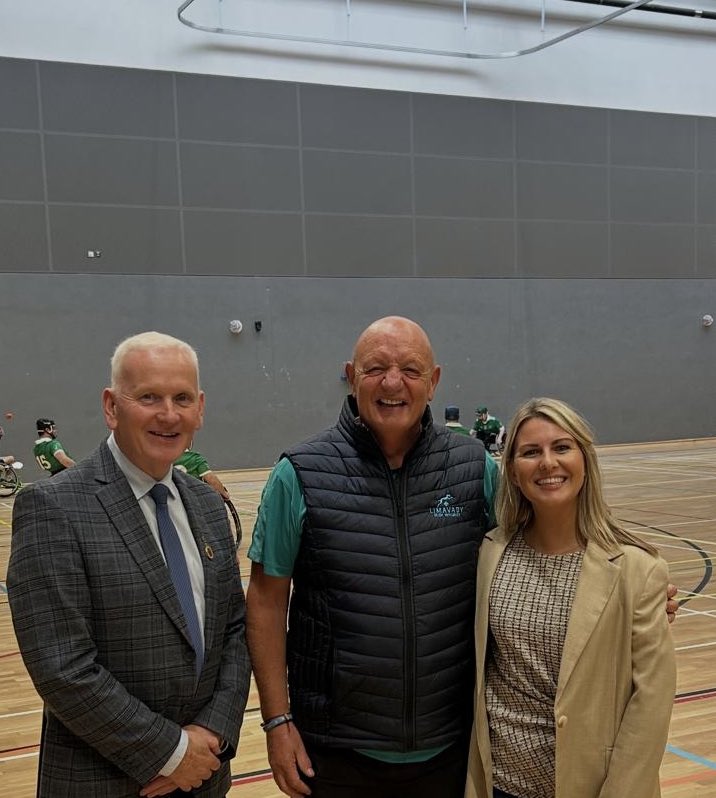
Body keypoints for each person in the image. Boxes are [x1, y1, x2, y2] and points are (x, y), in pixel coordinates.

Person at [246, 316, 500, 798]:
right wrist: (277, 722)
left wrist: (631, 588)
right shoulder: (299, 473)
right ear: (350, 374)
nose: (391, 383)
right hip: (336, 753)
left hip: (453, 743)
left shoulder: (475, 469)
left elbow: (535, 556)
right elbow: (264, 600)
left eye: (410, 369)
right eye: (375, 368)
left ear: (434, 380)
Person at [8, 331, 251, 798]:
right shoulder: (54, 507)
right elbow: (62, 668)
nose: (168, 414)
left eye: (182, 398)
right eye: (148, 397)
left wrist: (213, 734)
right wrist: (172, 752)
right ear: (111, 406)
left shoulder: (205, 505)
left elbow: (234, 631)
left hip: (206, 775)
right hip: (105, 780)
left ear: (200, 408)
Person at [465, 398, 676, 798]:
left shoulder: (638, 569)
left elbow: (650, 704)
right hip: (500, 786)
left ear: (585, 458)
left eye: (562, 447)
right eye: (530, 452)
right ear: (511, 469)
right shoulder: (489, 554)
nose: (547, 463)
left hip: (589, 787)